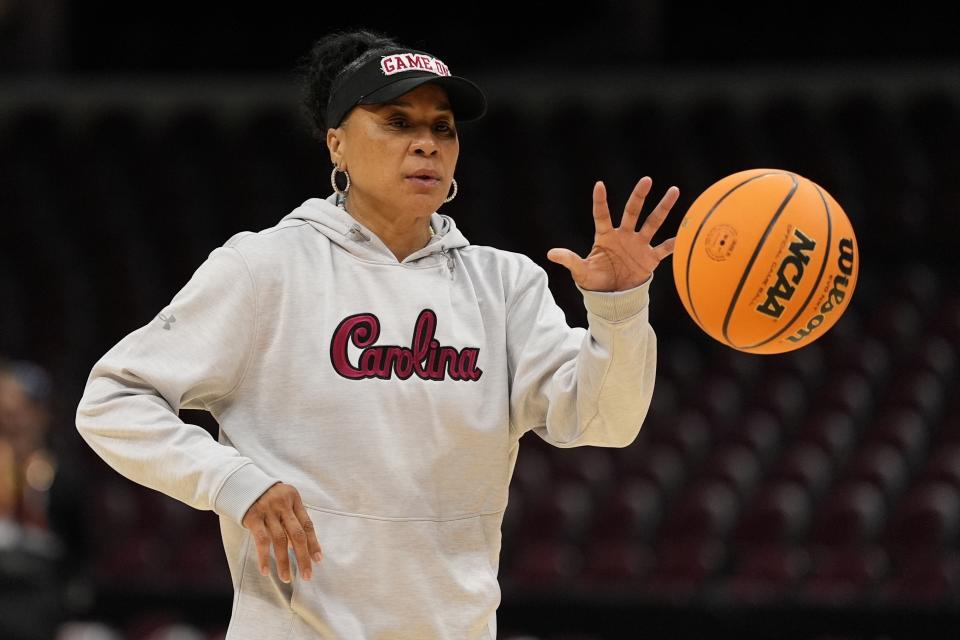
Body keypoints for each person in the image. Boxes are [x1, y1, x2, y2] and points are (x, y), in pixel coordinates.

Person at [74, 29, 678, 639]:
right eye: (397, 122)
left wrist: (619, 308)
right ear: (336, 144)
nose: (427, 145)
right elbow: (111, 400)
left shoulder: (504, 285)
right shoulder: (265, 269)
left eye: (443, 128)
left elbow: (607, 421)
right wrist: (234, 482)